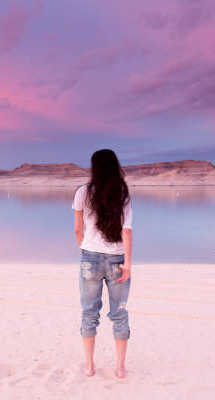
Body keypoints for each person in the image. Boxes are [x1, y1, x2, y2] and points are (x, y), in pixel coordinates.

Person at [71, 148, 132, 379]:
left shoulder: (82, 192)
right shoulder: (122, 193)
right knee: (120, 313)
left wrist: (86, 250)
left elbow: (78, 229)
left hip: (90, 257)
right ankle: (120, 367)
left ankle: (89, 366)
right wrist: (128, 263)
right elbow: (127, 231)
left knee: (88, 313)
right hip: (117, 258)